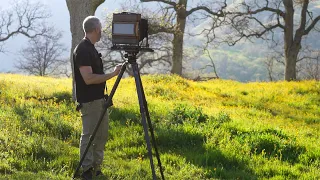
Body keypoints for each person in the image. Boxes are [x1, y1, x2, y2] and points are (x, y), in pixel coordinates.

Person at [73, 16, 122, 180]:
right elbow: (88, 79)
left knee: (101, 135)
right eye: (100, 29)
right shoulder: (83, 50)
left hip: (99, 100)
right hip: (89, 101)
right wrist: (113, 74)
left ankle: (97, 168)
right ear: (95, 30)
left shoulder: (91, 48)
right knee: (88, 136)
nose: (101, 32)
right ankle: (86, 170)